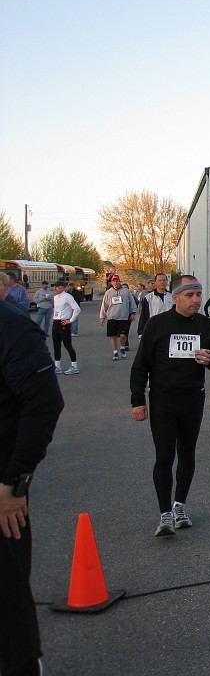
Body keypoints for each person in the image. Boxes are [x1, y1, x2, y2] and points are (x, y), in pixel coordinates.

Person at [0, 272, 64, 676]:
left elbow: (44, 404)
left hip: (3, 489)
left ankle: (23, 664)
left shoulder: (11, 328)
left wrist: (14, 483)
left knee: (6, 590)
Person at [130, 275, 210, 537]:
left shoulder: (206, 326)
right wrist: (137, 400)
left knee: (187, 453)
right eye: (190, 295)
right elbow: (141, 365)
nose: (196, 300)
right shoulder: (158, 324)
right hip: (163, 399)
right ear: (176, 297)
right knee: (164, 456)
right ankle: (164, 514)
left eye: (198, 295)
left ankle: (179, 505)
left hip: (192, 398)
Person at [99, 274, 137, 360]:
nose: (116, 282)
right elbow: (104, 305)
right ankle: (115, 352)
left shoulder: (126, 291)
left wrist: (133, 313)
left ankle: (122, 347)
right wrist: (102, 317)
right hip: (112, 317)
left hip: (123, 317)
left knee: (123, 335)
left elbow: (132, 302)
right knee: (113, 336)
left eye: (117, 281)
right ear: (111, 282)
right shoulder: (108, 292)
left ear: (120, 281)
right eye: (114, 281)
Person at [50, 279, 81, 375]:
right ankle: (57, 366)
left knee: (67, 345)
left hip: (64, 323)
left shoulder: (67, 297)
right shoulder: (55, 298)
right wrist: (54, 318)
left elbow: (77, 309)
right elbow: (56, 309)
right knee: (56, 345)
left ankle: (74, 366)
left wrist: (70, 320)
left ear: (62, 287)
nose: (55, 288)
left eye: (57, 287)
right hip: (56, 322)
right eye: (54, 287)